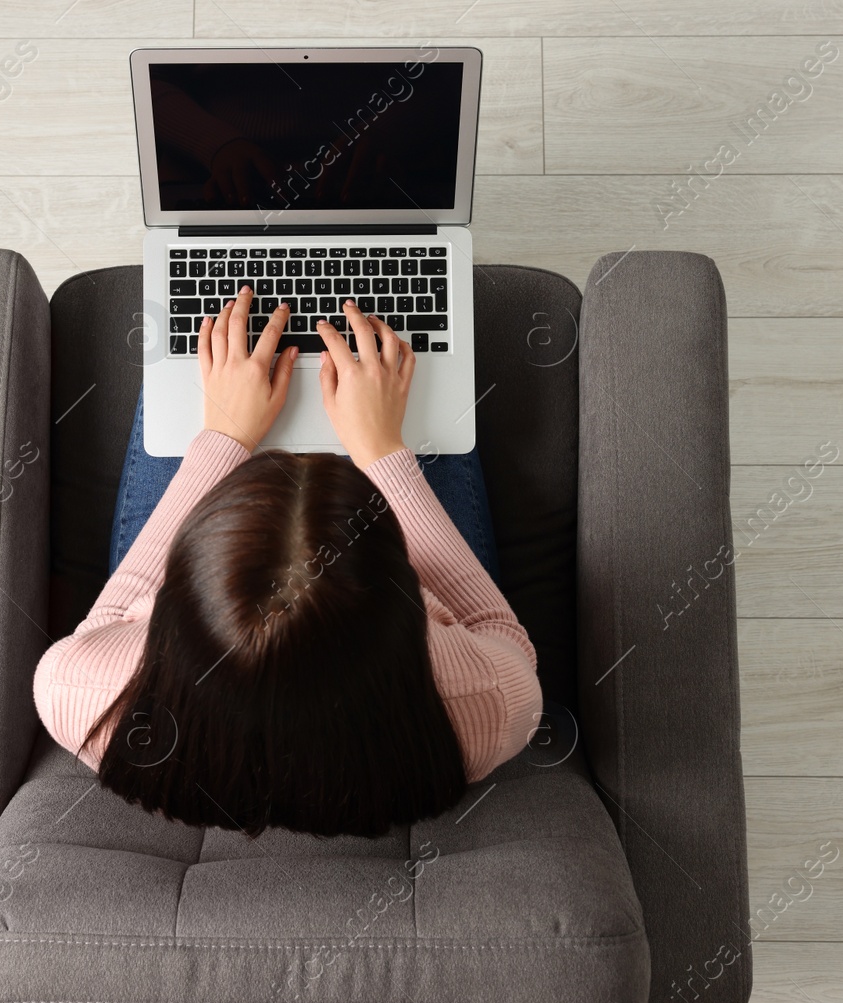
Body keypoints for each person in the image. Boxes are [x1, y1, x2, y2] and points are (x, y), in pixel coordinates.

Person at [33, 288, 542, 838]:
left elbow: (109, 621)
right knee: (422, 379)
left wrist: (224, 437)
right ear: (409, 597)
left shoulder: (85, 695)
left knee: (196, 375)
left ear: (172, 602)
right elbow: (498, 633)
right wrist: (383, 454)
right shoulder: (486, 703)